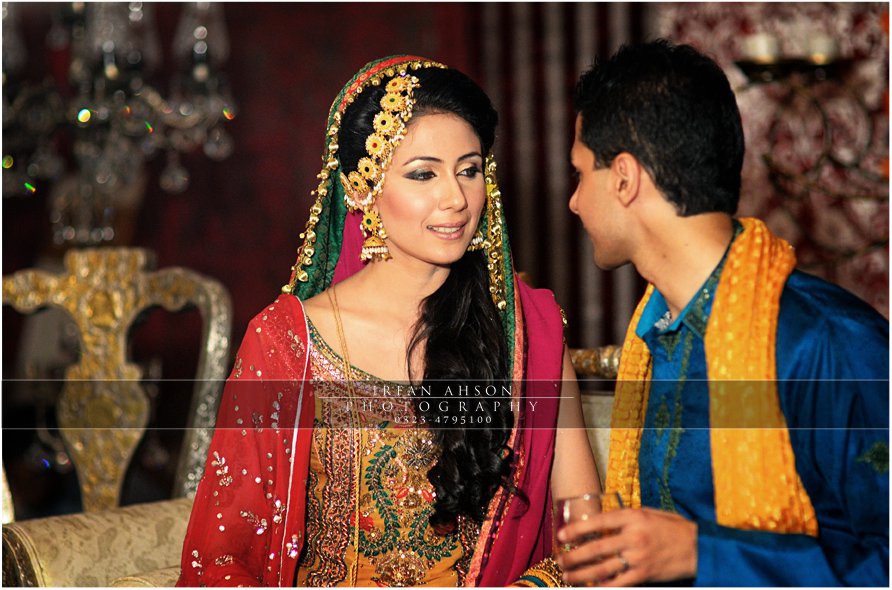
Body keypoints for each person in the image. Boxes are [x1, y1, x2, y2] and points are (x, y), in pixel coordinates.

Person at [177, 55, 600, 587]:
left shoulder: (526, 332)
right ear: (360, 188)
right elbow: (223, 555)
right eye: (423, 174)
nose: (455, 198)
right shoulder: (288, 341)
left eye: (469, 170)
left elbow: (585, 536)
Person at [557, 39, 889, 586]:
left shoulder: (828, 342)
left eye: (579, 173)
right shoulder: (655, 339)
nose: (574, 201)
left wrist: (701, 554)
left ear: (623, 178)